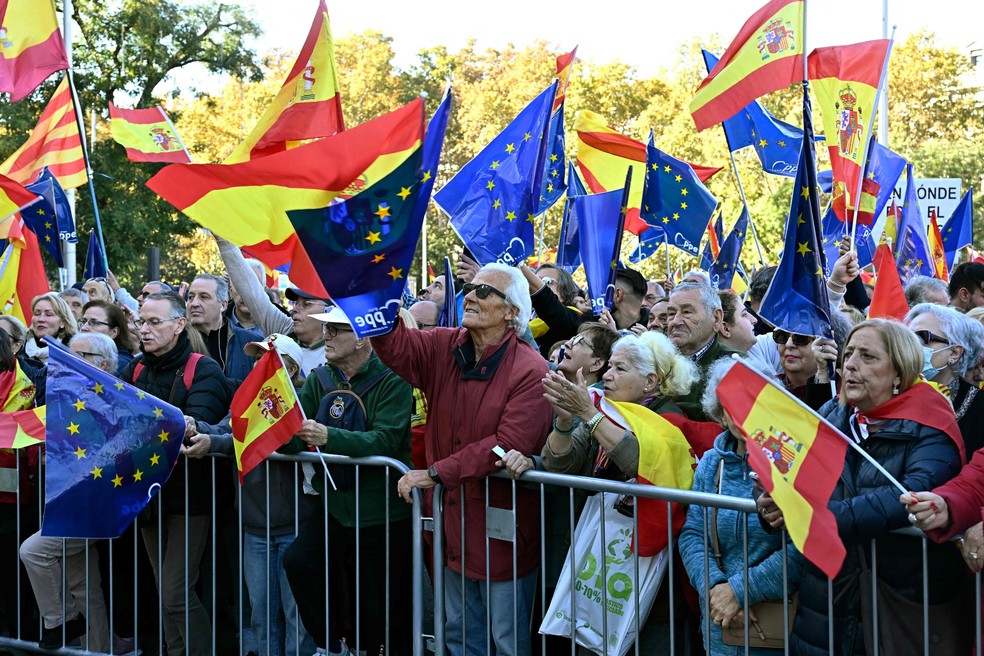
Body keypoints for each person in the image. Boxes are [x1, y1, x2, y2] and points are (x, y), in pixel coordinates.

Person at [372, 263, 553, 656]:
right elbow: (395, 346)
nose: (470, 295)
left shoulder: (531, 369)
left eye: (485, 291)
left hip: (503, 530)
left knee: (506, 641)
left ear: (512, 313)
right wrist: (373, 300)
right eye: (470, 286)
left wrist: (436, 474)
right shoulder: (443, 345)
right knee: (456, 635)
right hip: (451, 525)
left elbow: (506, 444)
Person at [758, 319, 966, 656]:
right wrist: (772, 505)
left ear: (899, 372)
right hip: (823, 605)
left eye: (868, 356)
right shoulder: (831, 414)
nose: (850, 364)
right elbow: (789, 474)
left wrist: (819, 517)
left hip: (894, 605)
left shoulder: (931, 426)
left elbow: (910, 494)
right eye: (849, 353)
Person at [283, 306, 413, 656]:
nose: (326, 336)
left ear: (362, 338)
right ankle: (332, 645)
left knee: (378, 607)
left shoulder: (394, 378)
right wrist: (281, 434)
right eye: (325, 329)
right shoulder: (320, 378)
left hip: (380, 514)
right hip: (335, 508)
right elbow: (296, 432)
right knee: (298, 561)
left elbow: (385, 440)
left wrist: (328, 436)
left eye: (336, 330)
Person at [183, 334, 317, 656]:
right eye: (256, 358)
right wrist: (195, 426)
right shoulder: (246, 398)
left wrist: (212, 443)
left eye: (266, 359)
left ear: (292, 366)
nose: (258, 365)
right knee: (262, 618)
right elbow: (226, 429)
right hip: (255, 528)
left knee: (298, 619)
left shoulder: (298, 403)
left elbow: (260, 439)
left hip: (294, 527)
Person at [122, 291, 231, 656]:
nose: (145, 329)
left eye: (154, 322)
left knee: (175, 591)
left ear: (180, 324)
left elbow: (199, 422)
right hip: (148, 495)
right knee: (164, 589)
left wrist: (186, 425)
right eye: (141, 321)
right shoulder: (135, 367)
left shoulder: (203, 368)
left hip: (191, 496)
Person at [678, 359, 804, 656]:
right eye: (731, 403)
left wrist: (741, 590)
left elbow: (804, 546)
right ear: (720, 414)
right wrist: (717, 590)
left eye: (752, 399)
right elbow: (693, 534)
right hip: (721, 624)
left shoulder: (792, 462)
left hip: (779, 627)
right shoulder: (712, 462)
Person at [19, 333, 117, 652]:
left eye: (78, 355)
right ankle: (97, 649)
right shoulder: (72, 394)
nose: (67, 361)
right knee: (85, 588)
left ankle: (59, 621)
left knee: (33, 551)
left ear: (101, 364)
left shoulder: (113, 398)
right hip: (71, 503)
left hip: (93, 506)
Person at [534, 330, 697, 480]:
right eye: (610, 366)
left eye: (620, 368)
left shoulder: (669, 418)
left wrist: (588, 413)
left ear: (649, 381)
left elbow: (643, 465)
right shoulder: (605, 409)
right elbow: (556, 465)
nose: (606, 375)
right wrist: (564, 421)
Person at [215, 235, 328, 374]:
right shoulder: (286, 330)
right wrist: (224, 241)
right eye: (296, 303)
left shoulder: (344, 343)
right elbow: (252, 293)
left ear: (327, 311)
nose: (295, 309)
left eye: (306, 304)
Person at [905, 302, 984, 454]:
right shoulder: (887, 393)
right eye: (908, 338)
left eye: (922, 337)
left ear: (954, 353)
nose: (912, 346)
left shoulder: (979, 409)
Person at [665, 282, 738, 420]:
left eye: (687, 312)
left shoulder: (734, 367)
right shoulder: (654, 359)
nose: (675, 321)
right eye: (671, 313)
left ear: (716, 318)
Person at [186, 273, 259, 386]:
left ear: (223, 305)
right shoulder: (177, 341)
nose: (194, 303)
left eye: (204, 297)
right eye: (190, 297)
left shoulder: (253, 344)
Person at [554, 321, 619, 388]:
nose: (567, 344)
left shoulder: (603, 397)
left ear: (596, 364)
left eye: (578, 342)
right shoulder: (548, 376)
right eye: (573, 339)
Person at [80, 300, 135, 376]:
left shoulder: (121, 364)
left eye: (94, 322)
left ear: (114, 332)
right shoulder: (80, 354)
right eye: (83, 321)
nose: (84, 328)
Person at [26, 292, 78, 363]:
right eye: (37, 313)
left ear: (63, 322)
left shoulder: (75, 351)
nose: (40, 319)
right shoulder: (18, 345)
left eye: (49, 314)